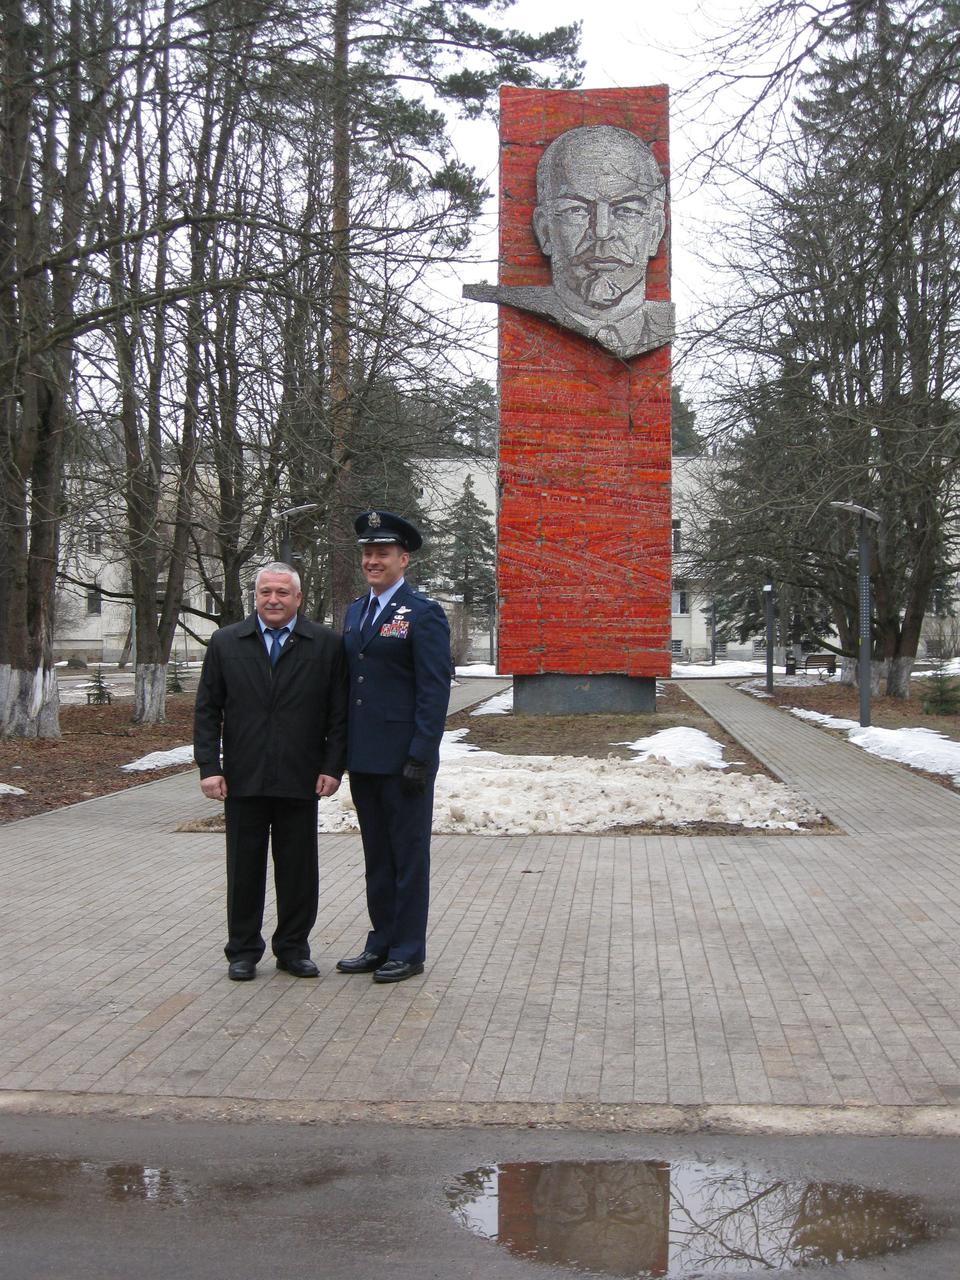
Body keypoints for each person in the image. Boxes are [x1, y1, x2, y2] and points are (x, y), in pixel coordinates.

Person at [194, 562, 348, 981]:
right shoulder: (228, 642)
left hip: (301, 776)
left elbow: (338, 713)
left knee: (298, 869)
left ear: (298, 597)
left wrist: (333, 766)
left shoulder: (325, 644)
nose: (274, 600)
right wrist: (210, 766)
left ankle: (293, 948)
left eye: (282, 592)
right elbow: (207, 709)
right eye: (266, 592)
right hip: (243, 777)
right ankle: (243, 951)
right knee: (243, 869)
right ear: (255, 596)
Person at [336, 511, 451, 983]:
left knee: (408, 856)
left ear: (404, 559)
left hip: (405, 760)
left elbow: (434, 689)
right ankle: (380, 942)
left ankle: (408, 949)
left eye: (382, 553)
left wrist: (421, 754)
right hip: (365, 757)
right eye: (367, 553)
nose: (373, 561)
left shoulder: (422, 613)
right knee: (377, 857)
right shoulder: (355, 611)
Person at [464, 124, 674, 359]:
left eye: (626, 210)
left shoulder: (660, 325)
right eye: (576, 210)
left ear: (655, 231)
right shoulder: (525, 315)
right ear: (544, 230)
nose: (602, 231)